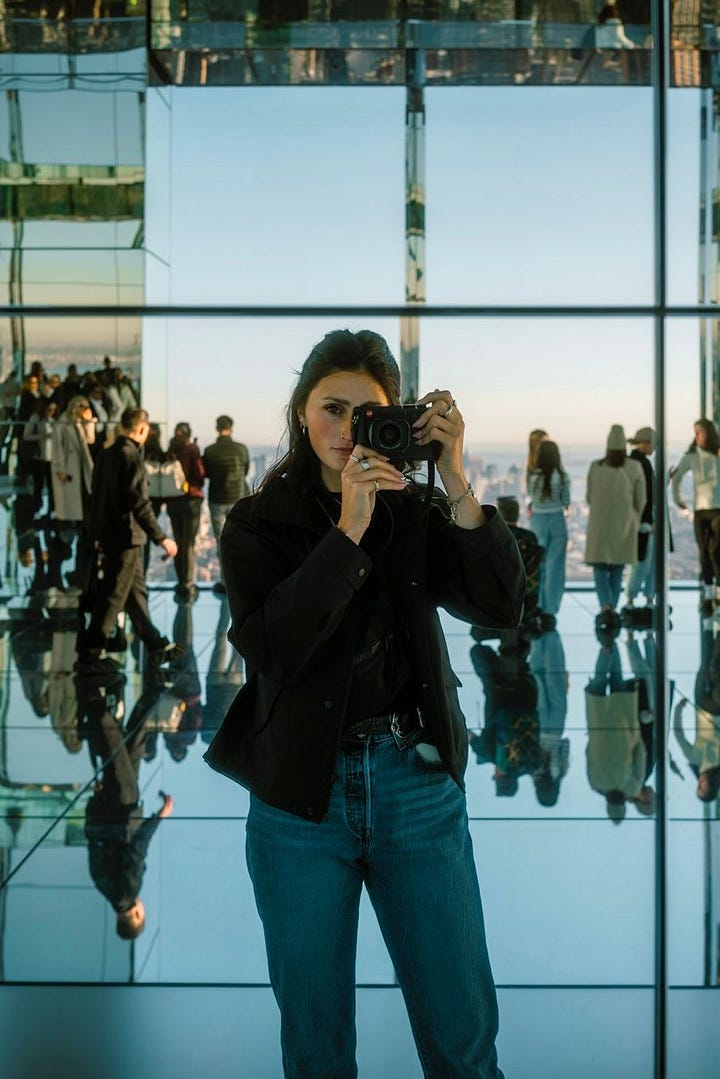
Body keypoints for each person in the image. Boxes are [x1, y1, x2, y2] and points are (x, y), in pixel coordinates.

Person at [204, 328, 524, 1078]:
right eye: (333, 408)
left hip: (414, 783)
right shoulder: (255, 524)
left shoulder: (412, 509)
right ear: (301, 411)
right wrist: (348, 528)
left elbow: (500, 603)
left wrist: (455, 479)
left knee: (463, 1042)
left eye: (369, 414)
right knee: (315, 1050)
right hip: (296, 803)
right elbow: (271, 650)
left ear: (401, 422)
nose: (349, 430)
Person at [77, 407, 181, 673]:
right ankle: (91, 653)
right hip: (126, 537)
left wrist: (95, 533)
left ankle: (155, 644)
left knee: (134, 592)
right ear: (143, 429)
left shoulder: (106, 454)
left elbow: (95, 498)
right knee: (113, 595)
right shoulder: (131, 456)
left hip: (110, 535)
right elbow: (139, 504)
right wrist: (162, 538)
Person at [585, 424, 646, 629]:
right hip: (625, 524)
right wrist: (634, 517)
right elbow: (642, 499)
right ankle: (612, 607)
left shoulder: (596, 466)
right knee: (618, 568)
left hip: (599, 525)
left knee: (600, 568)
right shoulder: (634, 467)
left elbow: (589, 496)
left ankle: (606, 607)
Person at [671, 418, 720, 612]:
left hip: (718, 509)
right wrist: (677, 499)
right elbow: (677, 477)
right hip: (701, 510)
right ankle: (708, 594)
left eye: (701, 432)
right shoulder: (692, 456)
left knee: (716, 551)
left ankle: (717, 592)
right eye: (696, 432)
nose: (698, 436)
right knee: (704, 553)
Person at [202, 414, 251, 595]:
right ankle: (243, 579)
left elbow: (207, 473)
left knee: (222, 541)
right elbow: (245, 471)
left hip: (217, 499)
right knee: (242, 539)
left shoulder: (209, 450)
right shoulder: (241, 449)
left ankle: (225, 581)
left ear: (217, 428)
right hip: (239, 497)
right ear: (231, 428)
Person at [527, 439, 571, 630]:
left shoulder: (532, 477)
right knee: (555, 566)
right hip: (557, 520)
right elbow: (566, 500)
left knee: (538, 565)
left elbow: (530, 496)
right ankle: (550, 611)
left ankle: (536, 605)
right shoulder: (561, 476)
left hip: (538, 520)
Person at [166, 421, 205, 601]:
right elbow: (199, 473)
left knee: (179, 541)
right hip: (190, 500)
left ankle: (181, 580)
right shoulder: (192, 449)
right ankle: (188, 583)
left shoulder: (170, 450)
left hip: (173, 501)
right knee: (188, 543)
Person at [625, 426, 657, 616]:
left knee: (644, 560)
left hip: (642, 518)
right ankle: (639, 599)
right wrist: (646, 520)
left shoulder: (635, 461)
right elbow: (643, 495)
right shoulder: (640, 463)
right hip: (644, 519)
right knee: (644, 560)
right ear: (645, 442)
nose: (654, 448)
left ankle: (634, 599)